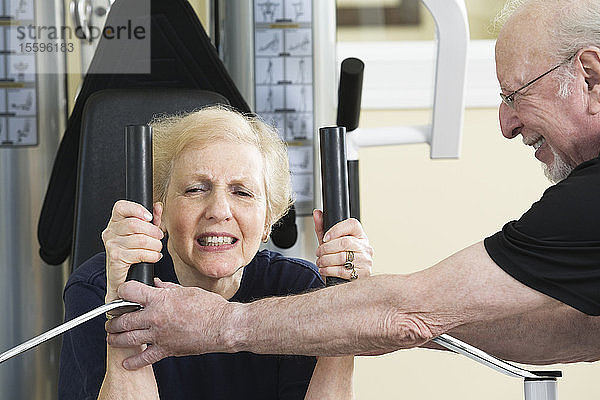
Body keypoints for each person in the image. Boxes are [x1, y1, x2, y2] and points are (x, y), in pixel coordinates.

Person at [104, 0, 600, 372]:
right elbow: (579, 330)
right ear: (159, 209)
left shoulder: (587, 202)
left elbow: (411, 312)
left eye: (516, 95)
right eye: (194, 190)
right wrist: (357, 313)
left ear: (590, 77)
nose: (505, 124)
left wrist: (219, 324)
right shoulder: (104, 284)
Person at [57, 106, 374, 400]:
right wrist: (121, 301)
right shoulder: (97, 287)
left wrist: (345, 306)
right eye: (196, 189)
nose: (219, 210)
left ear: (267, 221)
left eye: (242, 192)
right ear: (160, 211)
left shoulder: (299, 288)